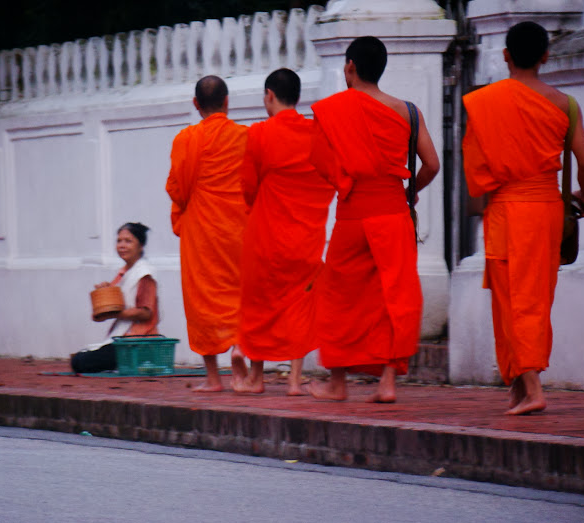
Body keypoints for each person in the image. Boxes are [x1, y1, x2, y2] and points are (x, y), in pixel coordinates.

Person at [462, 21, 584, 415]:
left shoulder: (485, 102)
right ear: (545, 56)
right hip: (545, 211)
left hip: (506, 209)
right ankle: (520, 386)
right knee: (533, 299)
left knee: (511, 300)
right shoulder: (564, 104)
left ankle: (534, 387)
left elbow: (476, 172)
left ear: (505, 56)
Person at [308, 36, 440, 402]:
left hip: (352, 213)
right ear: (382, 69)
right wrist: (410, 192)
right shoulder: (407, 111)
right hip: (393, 211)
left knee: (338, 295)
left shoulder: (332, 110)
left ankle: (337, 383)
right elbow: (431, 165)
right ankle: (388, 382)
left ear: (349, 67)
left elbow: (320, 163)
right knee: (395, 294)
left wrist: (347, 180)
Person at [234, 68, 335, 395]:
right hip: (306, 232)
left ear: (269, 96)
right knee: (299, 303)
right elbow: (330, 178)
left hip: (267, 231)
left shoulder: (260, 134)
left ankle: (256, 378)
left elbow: (248, 188)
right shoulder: (316, 133)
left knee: (259, 304)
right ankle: (293, 380)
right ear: (298, 96)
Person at [165, 75, 249, 392]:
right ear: (227, 102)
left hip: (201, 230)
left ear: (195, 105)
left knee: (203, 299)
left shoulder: (186, 139)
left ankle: (213, 378)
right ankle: (242, 349)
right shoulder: (245, 136)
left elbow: (176, 188)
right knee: (243, 292)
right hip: (239, 227)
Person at [71, 222, 159, 373]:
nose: (122, 245)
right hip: (124, 341)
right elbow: (100, 315)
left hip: (140, 340)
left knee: (81, 362)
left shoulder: (144, 274)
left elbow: (146, 313)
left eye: (128, 241)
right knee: (79, 358)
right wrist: (105, 293)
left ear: (141, 246)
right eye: (119, 241)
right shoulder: (124, 273)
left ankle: (139, 360)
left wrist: (114, 312)